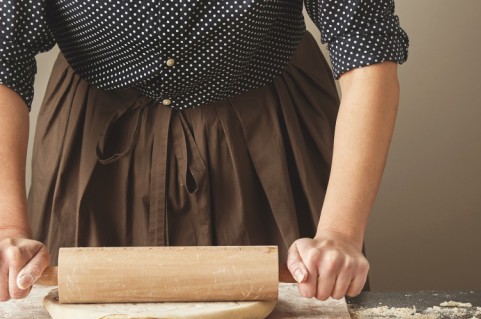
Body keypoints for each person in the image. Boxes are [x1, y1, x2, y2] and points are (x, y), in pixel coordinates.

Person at [0, 0, 408, 302]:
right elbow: (4, 59)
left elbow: (366, 50)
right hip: (93, 145)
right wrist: (7, 229)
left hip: (270, 140)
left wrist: (339, 233)